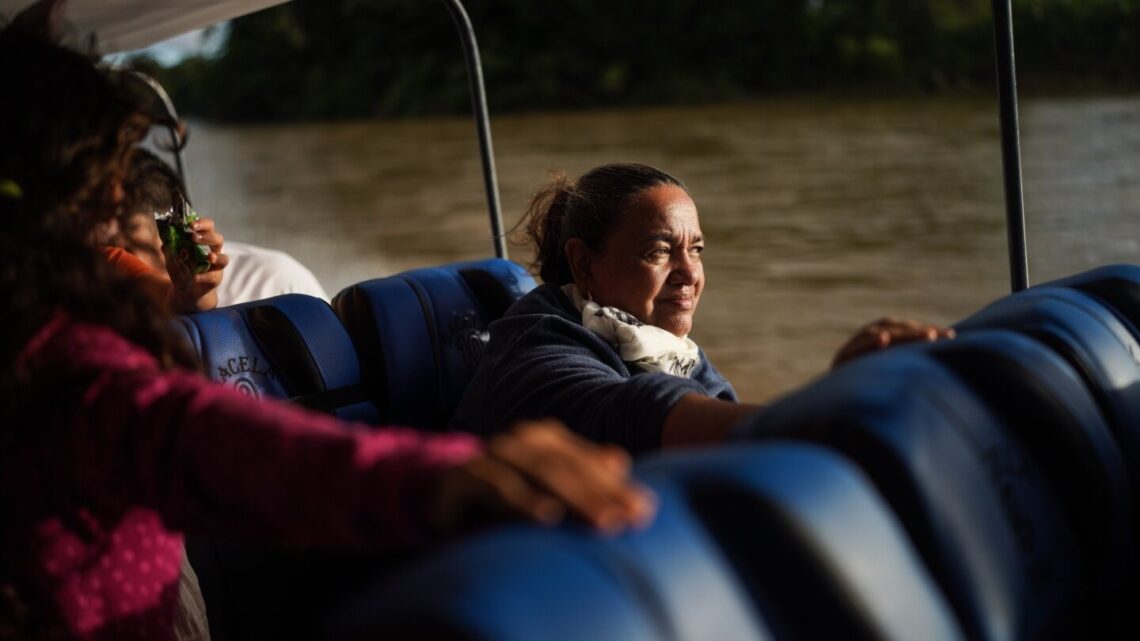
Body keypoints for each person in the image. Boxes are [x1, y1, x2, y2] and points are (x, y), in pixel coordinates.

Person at [0, 8, 654, 641]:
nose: (120, 200)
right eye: (103, 181)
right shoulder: (63, 368)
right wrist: (447, 479)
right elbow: (231, 447)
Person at [450, 163, 953, 453]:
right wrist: (833, 402)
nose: (689, 274)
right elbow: (634, 413)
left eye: (696, 249)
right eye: (660, 251)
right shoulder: (537, 350)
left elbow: (728, 423)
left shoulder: (670, 350)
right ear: (584, 264)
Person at [109, 149, 329, 307]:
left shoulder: (276, 280)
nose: (127, 263)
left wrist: (193, 293)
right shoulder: (92, 296)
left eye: (132, 245)